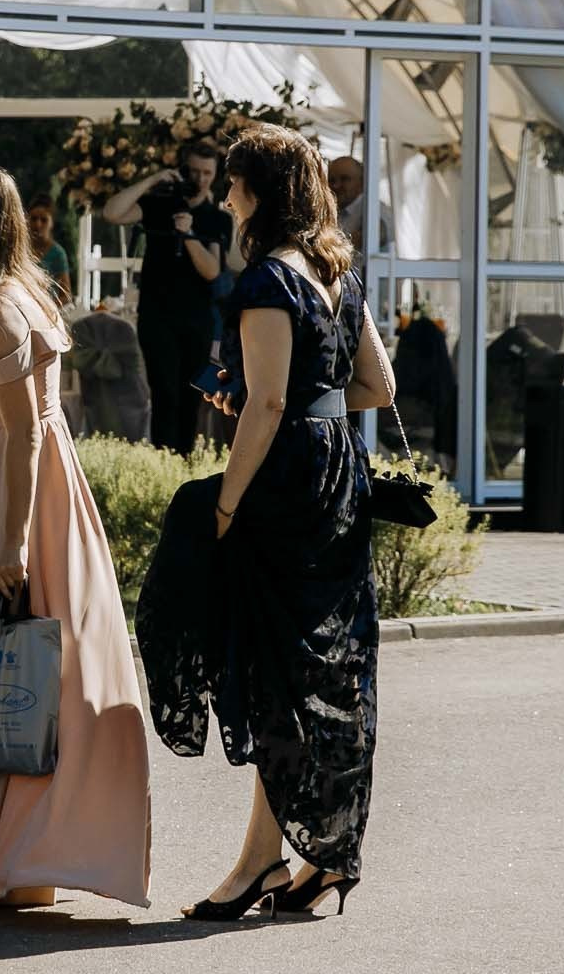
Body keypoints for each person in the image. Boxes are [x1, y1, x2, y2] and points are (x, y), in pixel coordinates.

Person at [136, 124, 395, 922]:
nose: (228, 198)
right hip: (337, 476)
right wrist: (296, 403)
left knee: (270, 668)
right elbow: (376, 386)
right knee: (314, 667)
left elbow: (271, 403)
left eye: (237, 185)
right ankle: (302, 861)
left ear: (258, 194)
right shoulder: (336, 271)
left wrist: (223, 504)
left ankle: (262, 864)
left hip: (283, 487)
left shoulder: (265, 283)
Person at [0, 165, 151, 912]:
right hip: (28, 482)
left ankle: (19, 857)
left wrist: (11, 544)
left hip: (16, 493)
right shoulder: (13, 292)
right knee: (34, 665)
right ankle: (22, 858)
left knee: (11, 657)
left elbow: (21, 434)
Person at [102, 139, 231, 454]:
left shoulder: (216, 217)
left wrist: (187, 235)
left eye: (207, 173)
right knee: (164, 394)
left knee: (191, 398)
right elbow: (112, 213)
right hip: (157, 316)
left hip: (196, 320)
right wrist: (153, 179)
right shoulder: (159, 204)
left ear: (215, 175)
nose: (200, 179)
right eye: (194, 172)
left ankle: (184, 464)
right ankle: (163, 460)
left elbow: (212, 270)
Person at [24, 191, 73, 304]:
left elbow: (66, 295)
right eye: (34, 219)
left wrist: (47, 308)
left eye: (44, 220)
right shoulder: (19, 249)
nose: (38, 225)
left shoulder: (58, 253)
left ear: (51, 223)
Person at [327, 154, 367, 248]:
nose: (336, 186)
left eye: (344, 179)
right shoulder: (329, 210)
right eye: (331, 180)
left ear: (362, 183)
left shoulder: (372, 213)